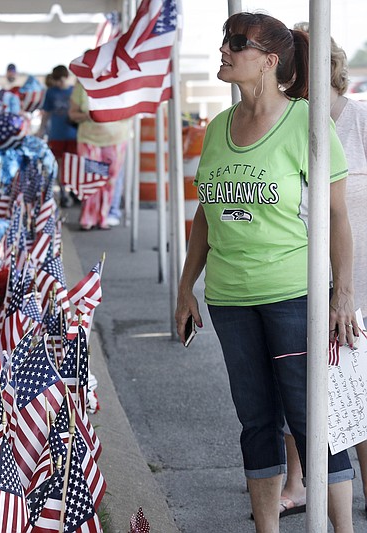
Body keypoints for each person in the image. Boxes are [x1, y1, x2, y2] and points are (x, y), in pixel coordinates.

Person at [174, 12, 359, 532]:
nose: (224, 51)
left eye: (237, 44)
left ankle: (340, 528)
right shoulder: (215, 128)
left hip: (294, 295)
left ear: (269, 61)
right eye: (225, 41)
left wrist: (342, 294)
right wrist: (187, 287)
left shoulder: (306, 120)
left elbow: (338, 218)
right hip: (229, 299)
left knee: (310, 420)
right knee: (255, 421)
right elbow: (205, 217)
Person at [280, 35, 367, 519]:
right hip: (300, 272)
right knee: (299, 377)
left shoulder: (359, 120)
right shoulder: (288, 121)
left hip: (359, 271)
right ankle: (299, 480)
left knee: (358, 383)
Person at [68, 83, 128, 229]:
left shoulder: (123, 83)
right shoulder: (83, 85)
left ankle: (103, 217)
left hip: (115, 139)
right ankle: (88, 218)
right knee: (91, 178)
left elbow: (131, 112)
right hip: (89, 139)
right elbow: (72, 114)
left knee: (110, 180)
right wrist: (89, 115)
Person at [41, 66, 78, 208]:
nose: (60, 84)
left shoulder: (73, 91)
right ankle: (63, 192)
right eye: (58, 81)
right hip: (56, 134)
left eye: (62, 80)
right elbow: (46, 113)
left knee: (70, 166)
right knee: (58, 165)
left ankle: (72, 192)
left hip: (72, 134)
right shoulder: (51, 92)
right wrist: (41, 130)